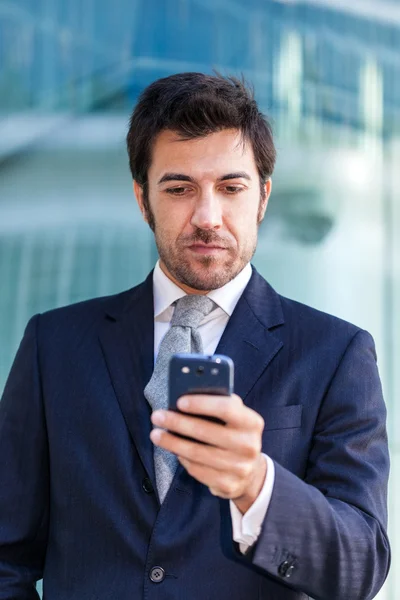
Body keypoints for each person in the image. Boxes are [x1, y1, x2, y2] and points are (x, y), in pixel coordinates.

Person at [0, 72, 390, 600]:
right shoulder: (55, 346)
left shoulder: (336, 354)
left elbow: (359, 568)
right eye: (180, 188)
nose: (208, 217)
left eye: (231, 188)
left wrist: (255, 485)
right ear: (143, 200)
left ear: (263, 198)